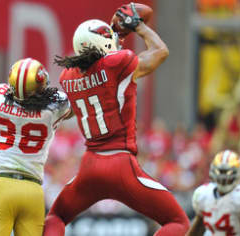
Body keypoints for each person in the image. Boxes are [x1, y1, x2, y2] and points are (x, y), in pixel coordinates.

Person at [43, 3, 189, 236]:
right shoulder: (117, 63)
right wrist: (138, 26)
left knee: (55, 217)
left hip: (90, 166)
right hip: (121, 165)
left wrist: (112, 36)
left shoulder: (68, 75)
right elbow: (160, 51)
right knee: (178, 222)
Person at [0, 58, 71, 236]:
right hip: (33, 190)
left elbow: (10, 95)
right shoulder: (52, 109)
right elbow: (69, 108)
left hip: (2, 186)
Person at [187, 150, 240, 236]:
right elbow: (198, 228)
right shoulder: (204, 194)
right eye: (220, 171)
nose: (224, 177)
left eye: (229, 172)